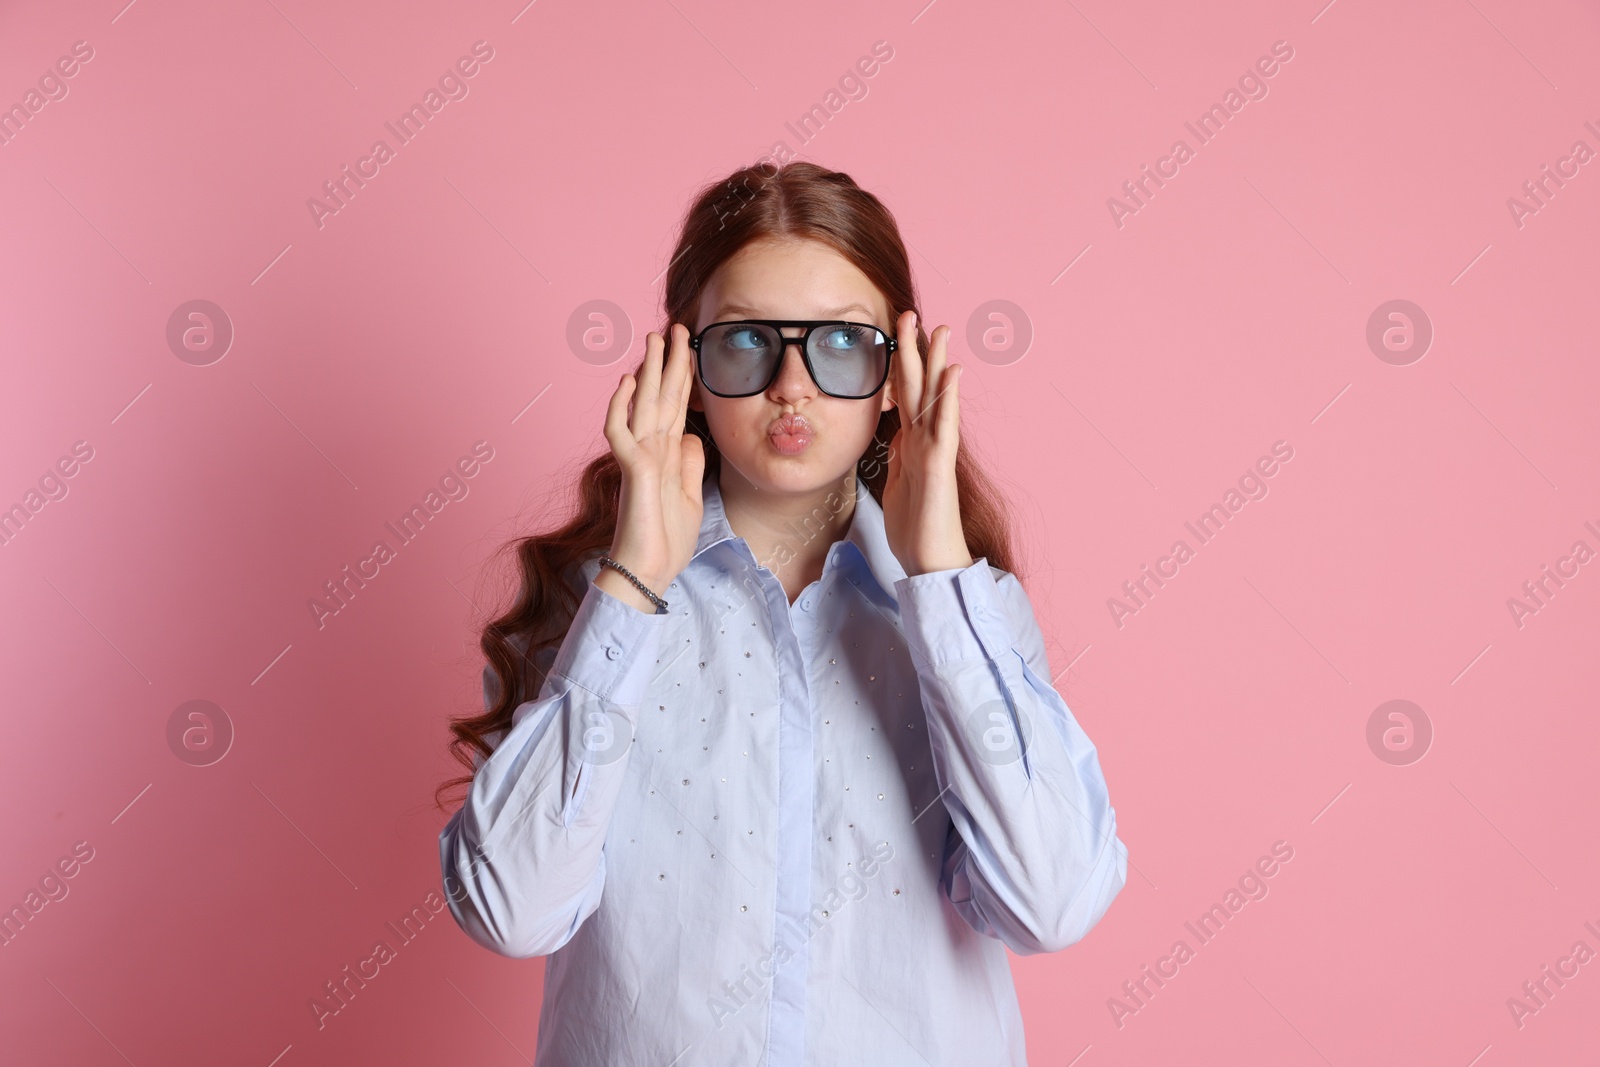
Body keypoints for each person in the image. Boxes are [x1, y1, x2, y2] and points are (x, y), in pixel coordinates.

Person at [436, 160, 1127, 1066]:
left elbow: (1052, 903)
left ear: (896, 373)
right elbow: (512, 912)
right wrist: (634, 587)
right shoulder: (588, 609)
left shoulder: (973, 613)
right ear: (684, 364)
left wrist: (940, 583)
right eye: (748, 340)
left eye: (842, 343)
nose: (792, 385)